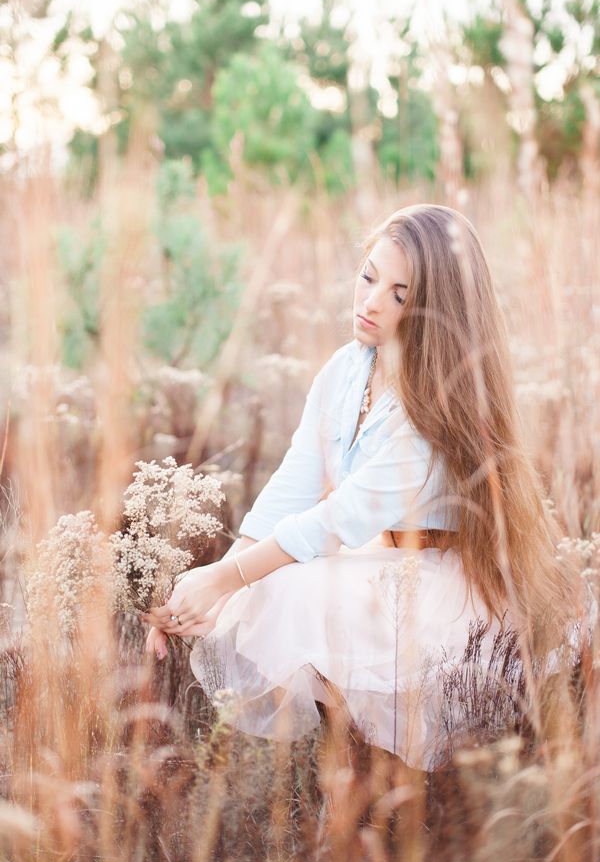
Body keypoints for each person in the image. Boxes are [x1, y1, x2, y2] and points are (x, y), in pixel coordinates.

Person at [143, 203, 590, 770]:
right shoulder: (345, 369)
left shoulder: (436, 406)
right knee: (273, 582)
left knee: (293, 588)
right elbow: (292, 488)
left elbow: (340, 519)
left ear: (433, 313)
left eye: (400, 295)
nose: (372, 301)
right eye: (369, 276)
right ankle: (354, 776)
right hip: (381, 562)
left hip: (448, 588)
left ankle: (385, 787)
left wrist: (222, 581)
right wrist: (216, 588)